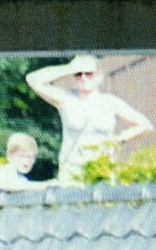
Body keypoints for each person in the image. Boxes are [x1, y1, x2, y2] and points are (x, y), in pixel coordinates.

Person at [25, 56, 153, 185]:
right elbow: (32, 79)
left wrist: (118, 139)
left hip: (102, 166)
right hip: (72, 169)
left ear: (99, 77)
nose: (83, 78)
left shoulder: (110, 102)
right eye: (78, 74)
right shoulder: (65, 99)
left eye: (89, 73)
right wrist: (69, 68)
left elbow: (145, 125)